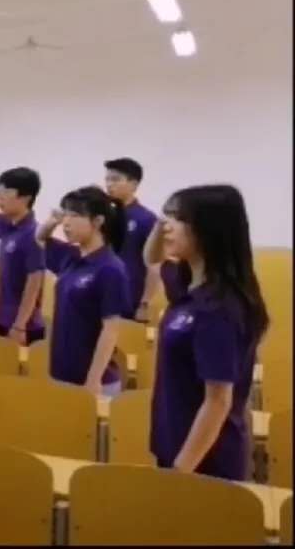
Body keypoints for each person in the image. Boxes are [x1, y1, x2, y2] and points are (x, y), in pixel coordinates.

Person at [143, 185, 268, 480]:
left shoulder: (219, 308)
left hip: (205, 462)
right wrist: (162, 225)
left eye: (179, 219)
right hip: (174, 444)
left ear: (208, 230)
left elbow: (218, 401)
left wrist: (180, 471)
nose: (167, 226)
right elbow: (152, 258)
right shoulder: (185, 283)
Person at [36, 186, 131, 396]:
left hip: (95, 382)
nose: (66, 222)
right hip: (61, 374)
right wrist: (51, 222)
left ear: (97, 221)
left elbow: (110, 330)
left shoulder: (110, 268)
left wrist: (93, 379)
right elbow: (40, 238)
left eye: (74, 215)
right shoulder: (69, 256)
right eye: (65, 214)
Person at [0, 167, 46, 345]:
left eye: (7, 192)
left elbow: (34, 282)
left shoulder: (34, 234)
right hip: (3, 318)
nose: (1, 197)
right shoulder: (9, 227)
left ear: (26, 197)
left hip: (25, 326)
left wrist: (20, 325)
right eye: (0, 190)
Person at [104, 158, 160, 322]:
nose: (109, 185)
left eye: (115, 179)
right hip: (102, 298)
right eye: (107, 179)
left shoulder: (146, 219)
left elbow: (154, 266)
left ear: (134, 184)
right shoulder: (102, 216)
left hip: (129, 301)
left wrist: (145, 304)